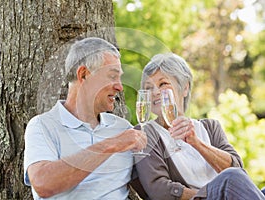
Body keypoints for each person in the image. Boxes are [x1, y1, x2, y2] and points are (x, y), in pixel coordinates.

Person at [23, 37, 147, 199]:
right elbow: (43, 184)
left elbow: (152, 188)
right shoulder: (43, 126)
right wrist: (113, 144)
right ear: (83, 74)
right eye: (112, 76)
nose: (120, 87)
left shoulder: (123, 129)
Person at [131, 53, 265, 200]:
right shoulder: (145, 133)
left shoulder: (210, 127)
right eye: (148, 88)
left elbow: (237, 169)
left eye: (163, 84)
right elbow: (159, 189)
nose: (155, 92)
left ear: (185, 88)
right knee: (231, 177)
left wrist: (196, 142)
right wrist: (213, 194)